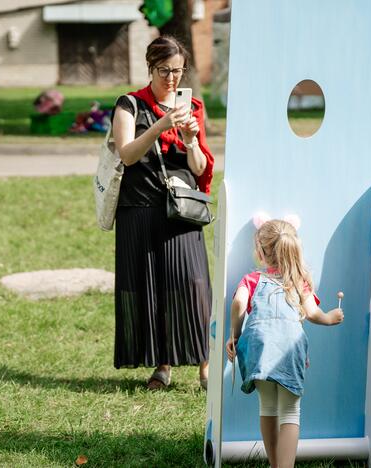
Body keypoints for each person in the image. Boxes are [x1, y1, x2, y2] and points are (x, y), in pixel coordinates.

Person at [110, 36, 215, 390]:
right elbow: (126, 154)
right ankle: (162, 367)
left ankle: (205, 366)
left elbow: (199, 167)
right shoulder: (129, 105)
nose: (172, 79)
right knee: (151, 287)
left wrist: (188, 139)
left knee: (193, 285)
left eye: (178, 71)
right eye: (164, 71)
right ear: (150, 67)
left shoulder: (193, 107)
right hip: (139, 208)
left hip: (180, 208)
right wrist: (160, 125)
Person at [226, 218, 344, 468]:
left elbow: (238, 303)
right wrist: (331, 317)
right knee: (290, 412)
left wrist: (234, 336)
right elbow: (313, 314)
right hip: (289, 349)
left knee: (267, 407)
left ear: (260, 251)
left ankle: (274, 463)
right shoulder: (299, 281)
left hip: (259, 349)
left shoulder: (252, 280)